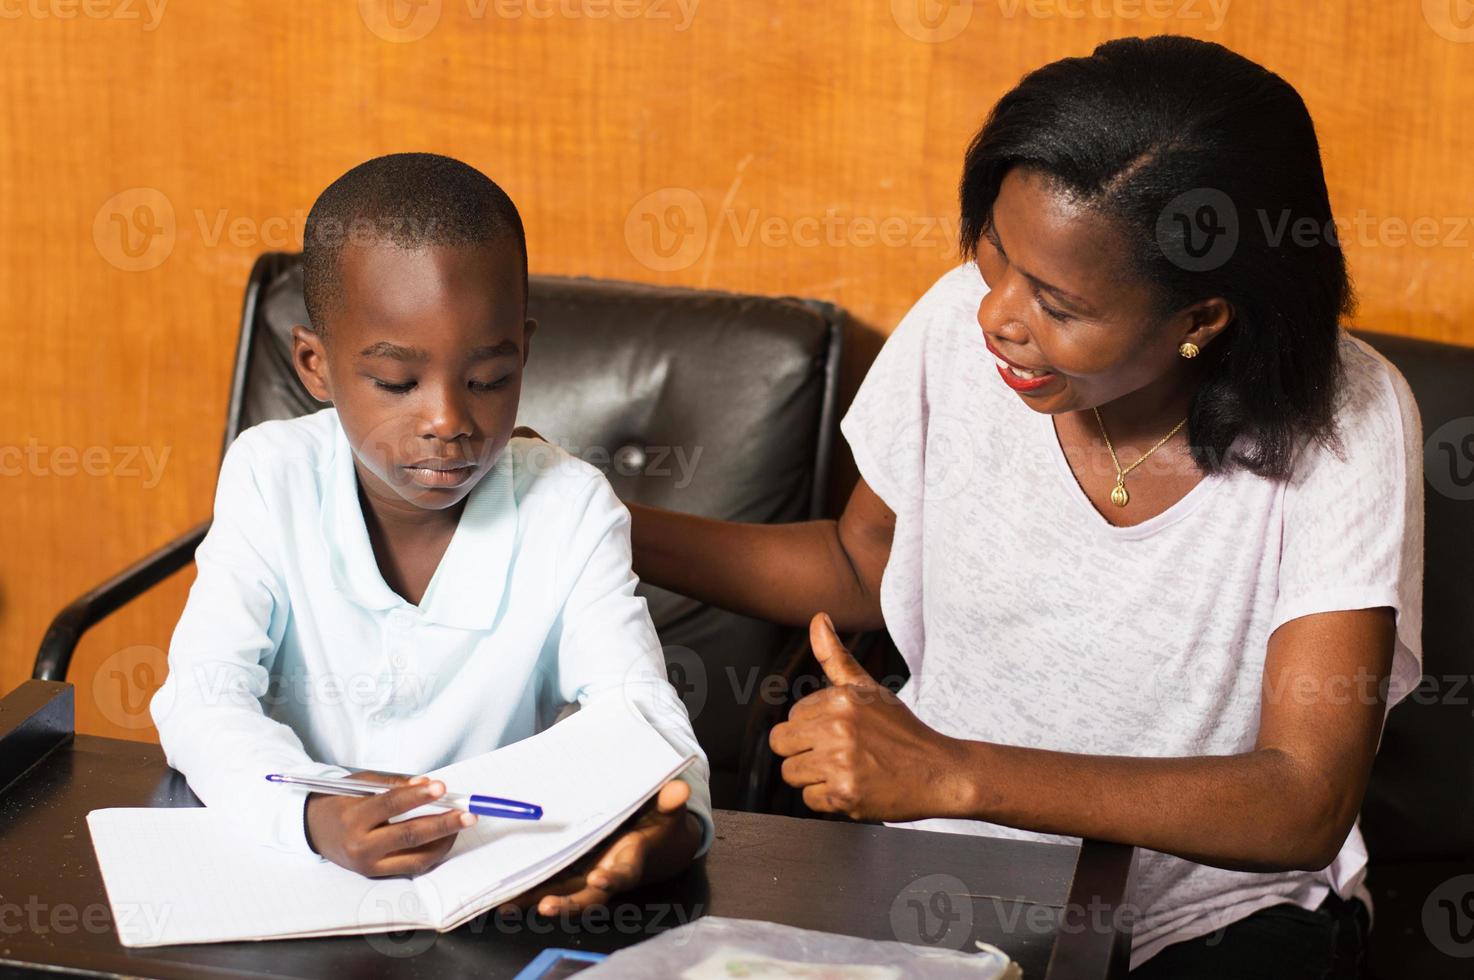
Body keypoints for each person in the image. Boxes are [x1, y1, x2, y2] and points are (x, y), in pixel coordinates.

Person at [624, 37, 1421, 977]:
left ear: (1202, 319)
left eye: (1057, 301)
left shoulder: (1350, 419)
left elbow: (1304, 798)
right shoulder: (962, 330)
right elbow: (861, 567)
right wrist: (599, 514)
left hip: (1213, 920)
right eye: (994, 255)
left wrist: (949, 770)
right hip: (939, 873)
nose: (996, 316)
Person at [151, 153, 710, 916]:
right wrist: (313, 815)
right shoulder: (270, 476)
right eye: (395, 383)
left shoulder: (569, 506)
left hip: (494, 901)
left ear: (524, 351)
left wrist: (667, 829)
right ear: (315, 365)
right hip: (295, 888)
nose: (449, 420)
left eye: (487, 380)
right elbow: (202, 698)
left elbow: (639, 711)